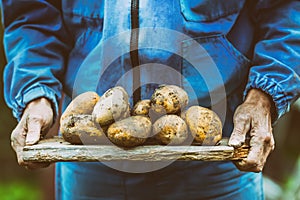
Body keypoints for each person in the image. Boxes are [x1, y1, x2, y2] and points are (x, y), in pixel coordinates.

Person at [1, 0, 299, 199]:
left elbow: (288, 9)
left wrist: (265, 94)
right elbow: (31, 12)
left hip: (217, 152)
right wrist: (35, 92)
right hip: (91, 154)